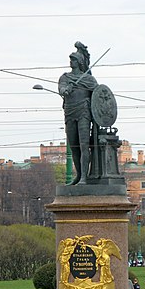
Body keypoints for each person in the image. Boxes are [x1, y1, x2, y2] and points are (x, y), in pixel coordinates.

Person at [58, 42, 98, 185]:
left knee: (83, 145)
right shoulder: (65, 78)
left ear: (80, 62)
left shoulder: (89, 79)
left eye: (74, 59)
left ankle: (84, 178)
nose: (71, 61)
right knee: (73, 146)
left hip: (83, 112)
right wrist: (67, 89)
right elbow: (61, 90)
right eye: (70, 59)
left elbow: (99, 96)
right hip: (70, 112)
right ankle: (79, 175)